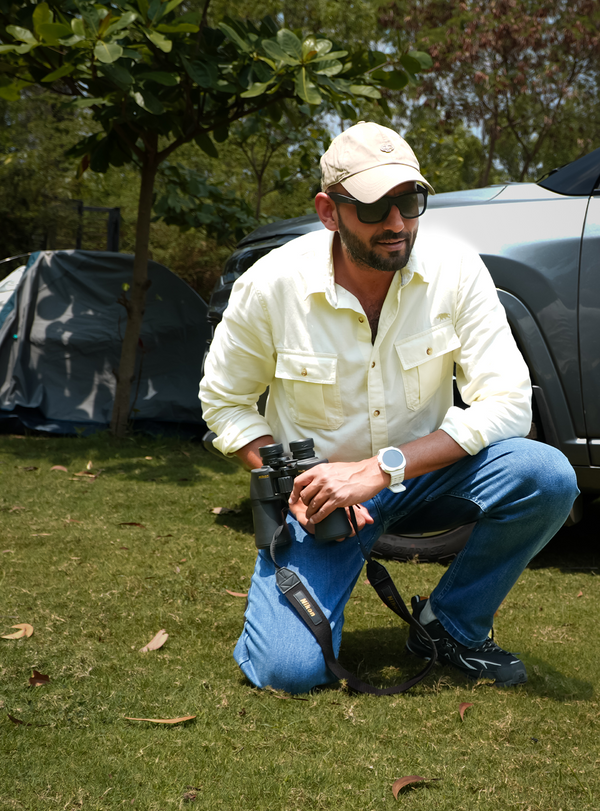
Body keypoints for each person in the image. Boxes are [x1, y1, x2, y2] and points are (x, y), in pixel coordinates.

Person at [200, 121, 578, 693]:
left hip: (419, 477)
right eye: (376, 207)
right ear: (330, 212)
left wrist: (378, 470)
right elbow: (224, 405)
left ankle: (450, 627)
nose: (397, 223)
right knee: (287, 672)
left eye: (410, 201)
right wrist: (302, 486)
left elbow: (508, 404)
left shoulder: (458, 269)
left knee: (546, 475)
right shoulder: (270, 284)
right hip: (320, 500)